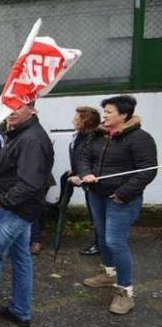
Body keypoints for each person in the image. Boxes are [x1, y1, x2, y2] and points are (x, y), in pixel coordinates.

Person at [0, 102, 53, 327]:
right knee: (21, 257)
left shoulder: (31, 139)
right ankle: (20, 310)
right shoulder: (22, 134)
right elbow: (9, 174)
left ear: (33, 109)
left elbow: (30, 183)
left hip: (13, 209)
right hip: (21, 209)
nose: (11, 112)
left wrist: (2, 202)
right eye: (8, 107)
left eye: (18, 107)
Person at [76, 95, 157, 315]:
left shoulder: (140, 139)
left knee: (115, 241)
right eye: (105, 111)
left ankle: (125, 291)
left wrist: (123, 193)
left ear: (124, 114)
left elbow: (147, 171)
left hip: (122, 199)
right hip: (97, 194)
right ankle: (108, 272)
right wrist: (86, 173)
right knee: (102, 236)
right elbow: (83, 158)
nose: (104, 115)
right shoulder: (99, 135)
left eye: (109, 111)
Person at [64, 107, 102, 256]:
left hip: (93, 183)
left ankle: (100, 246)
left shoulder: (94, 139)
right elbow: (79, 156)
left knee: (97, 215)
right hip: (84, 180)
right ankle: (99, 244)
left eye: (76, 118)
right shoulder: (79, 136)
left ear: (85, 121)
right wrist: (74, 171)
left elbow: (92, 160)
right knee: (94, 214)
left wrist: (82, 175)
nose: (73, 120)